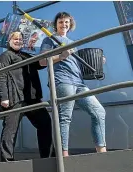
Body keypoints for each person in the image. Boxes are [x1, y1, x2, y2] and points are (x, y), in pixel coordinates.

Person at [40, 12, 106, 157]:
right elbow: (42, 62)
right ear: (56, 24)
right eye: (61, 22)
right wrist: (60, 56)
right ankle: (64, 157)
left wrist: (97, 62)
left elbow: (78, 66)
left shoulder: (72, 43)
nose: (64, 25)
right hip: (63, 81)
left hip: (79, 83)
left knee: (99, 112)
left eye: (66, 22)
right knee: (65, 118)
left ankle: (102, 153)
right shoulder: (49, 39)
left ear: (70, 25)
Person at [0, 31, 54, 162]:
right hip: (15, 98)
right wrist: (4, 97)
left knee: (45, 123)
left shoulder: (26, 55)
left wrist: (47, 48)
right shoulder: (5, 56)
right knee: (10, 131)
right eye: (15, 38)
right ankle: (7, 162)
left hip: (32, 99)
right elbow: (1, 76)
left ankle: (48, 158)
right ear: (9, 41)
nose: (18, 41)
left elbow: (42, 63)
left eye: (20, 39)